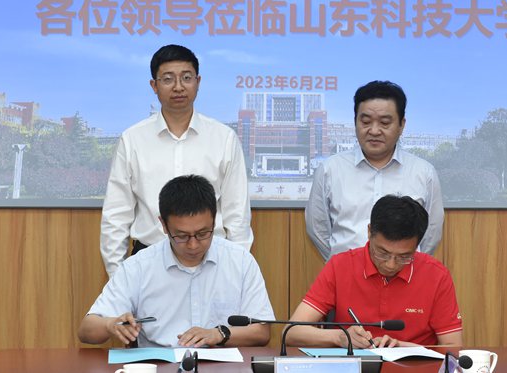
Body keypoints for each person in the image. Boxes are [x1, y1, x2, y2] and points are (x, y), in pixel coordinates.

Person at [101, 44, 252, 276]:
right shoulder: (132, 140)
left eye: (186, 78)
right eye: (168, 79)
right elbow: (116, 215)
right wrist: (118, 277)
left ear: (198, 82)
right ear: (154, 85)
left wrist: (235, 272)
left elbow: (237, 216)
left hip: (212, 260)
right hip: (148, 260)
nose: (179, 87)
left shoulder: (223, 138)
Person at [79, 175, 272, 348]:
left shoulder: (240, 261)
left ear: (214, 221)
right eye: (181, 236)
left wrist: (219, 334)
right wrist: (110, 325)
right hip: (160, 365)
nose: (193, 245)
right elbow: (86, 330)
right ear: (163, 225)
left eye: (203, 233)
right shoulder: (138, 266)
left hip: (221, 367)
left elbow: (262, 332)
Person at [286, 195, 462, 348]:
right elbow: (291, 332)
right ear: (369, 232)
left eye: (404, 257)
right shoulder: (340, 266)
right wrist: (340, 337)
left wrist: (402, 347)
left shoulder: (436, 275)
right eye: (382, 253)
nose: (391, 265)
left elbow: (453, 347)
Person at [306, 80, 443, 258]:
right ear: (355, 121)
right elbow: (318, 230)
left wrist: (401, 262)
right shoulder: (329, 170)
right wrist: (343, 264)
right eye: (366, 121)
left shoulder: (424, 173)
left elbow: (431, 234)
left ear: (401, 125)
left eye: (385, 123)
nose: (374, 130)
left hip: (403, 273)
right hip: (347, 273)